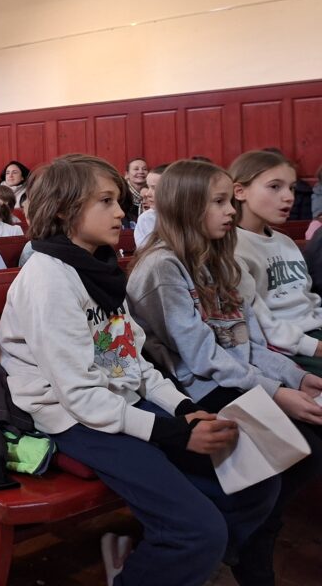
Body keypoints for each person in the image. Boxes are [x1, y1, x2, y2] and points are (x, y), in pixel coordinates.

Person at [0, 154, 279, 586]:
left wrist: (183, 408)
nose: (120, 212)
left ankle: (175, 563)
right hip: (71, 418)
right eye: (106, 201)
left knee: (257, 479)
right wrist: (174, 433)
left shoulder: (98, 266)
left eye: (118, 200)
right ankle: (169, 560)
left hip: (118, 399)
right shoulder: (48, 279)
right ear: (63, 210)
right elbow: (80, 396)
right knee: (196, 531)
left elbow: (132, 359)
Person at [127, 158, 322, 584]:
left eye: (228, 201)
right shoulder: (162, 267)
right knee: (289, 454)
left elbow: (247, 343)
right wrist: (276, 392)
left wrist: (296, 377)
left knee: (307, 447)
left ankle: (240, 543)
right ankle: (225, 546)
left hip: (228, 377)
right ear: (186, 205)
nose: (231, 210)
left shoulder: (216, 258)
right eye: (218, 202)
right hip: (190, 390)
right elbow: (202, 360)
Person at [230, 150, 322, 374]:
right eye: (275, 186)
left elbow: (307, 297)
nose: (289, 197)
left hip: (314, 333)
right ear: (240, 191)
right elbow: (258, 321)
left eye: (291, 188)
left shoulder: (285, 241)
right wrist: (314, 346)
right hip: (285, 348)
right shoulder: (232, 247)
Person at [133, 163, 168, 249]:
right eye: (148, 187)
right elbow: (150, 252)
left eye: (154, 188)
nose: (147, 194)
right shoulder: (147, 219)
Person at [123, 157, 149, 225]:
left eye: (144, 169)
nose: (141, 172)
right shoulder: (122, 194)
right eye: (136, 169)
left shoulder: (153, 195)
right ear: (127, 174)